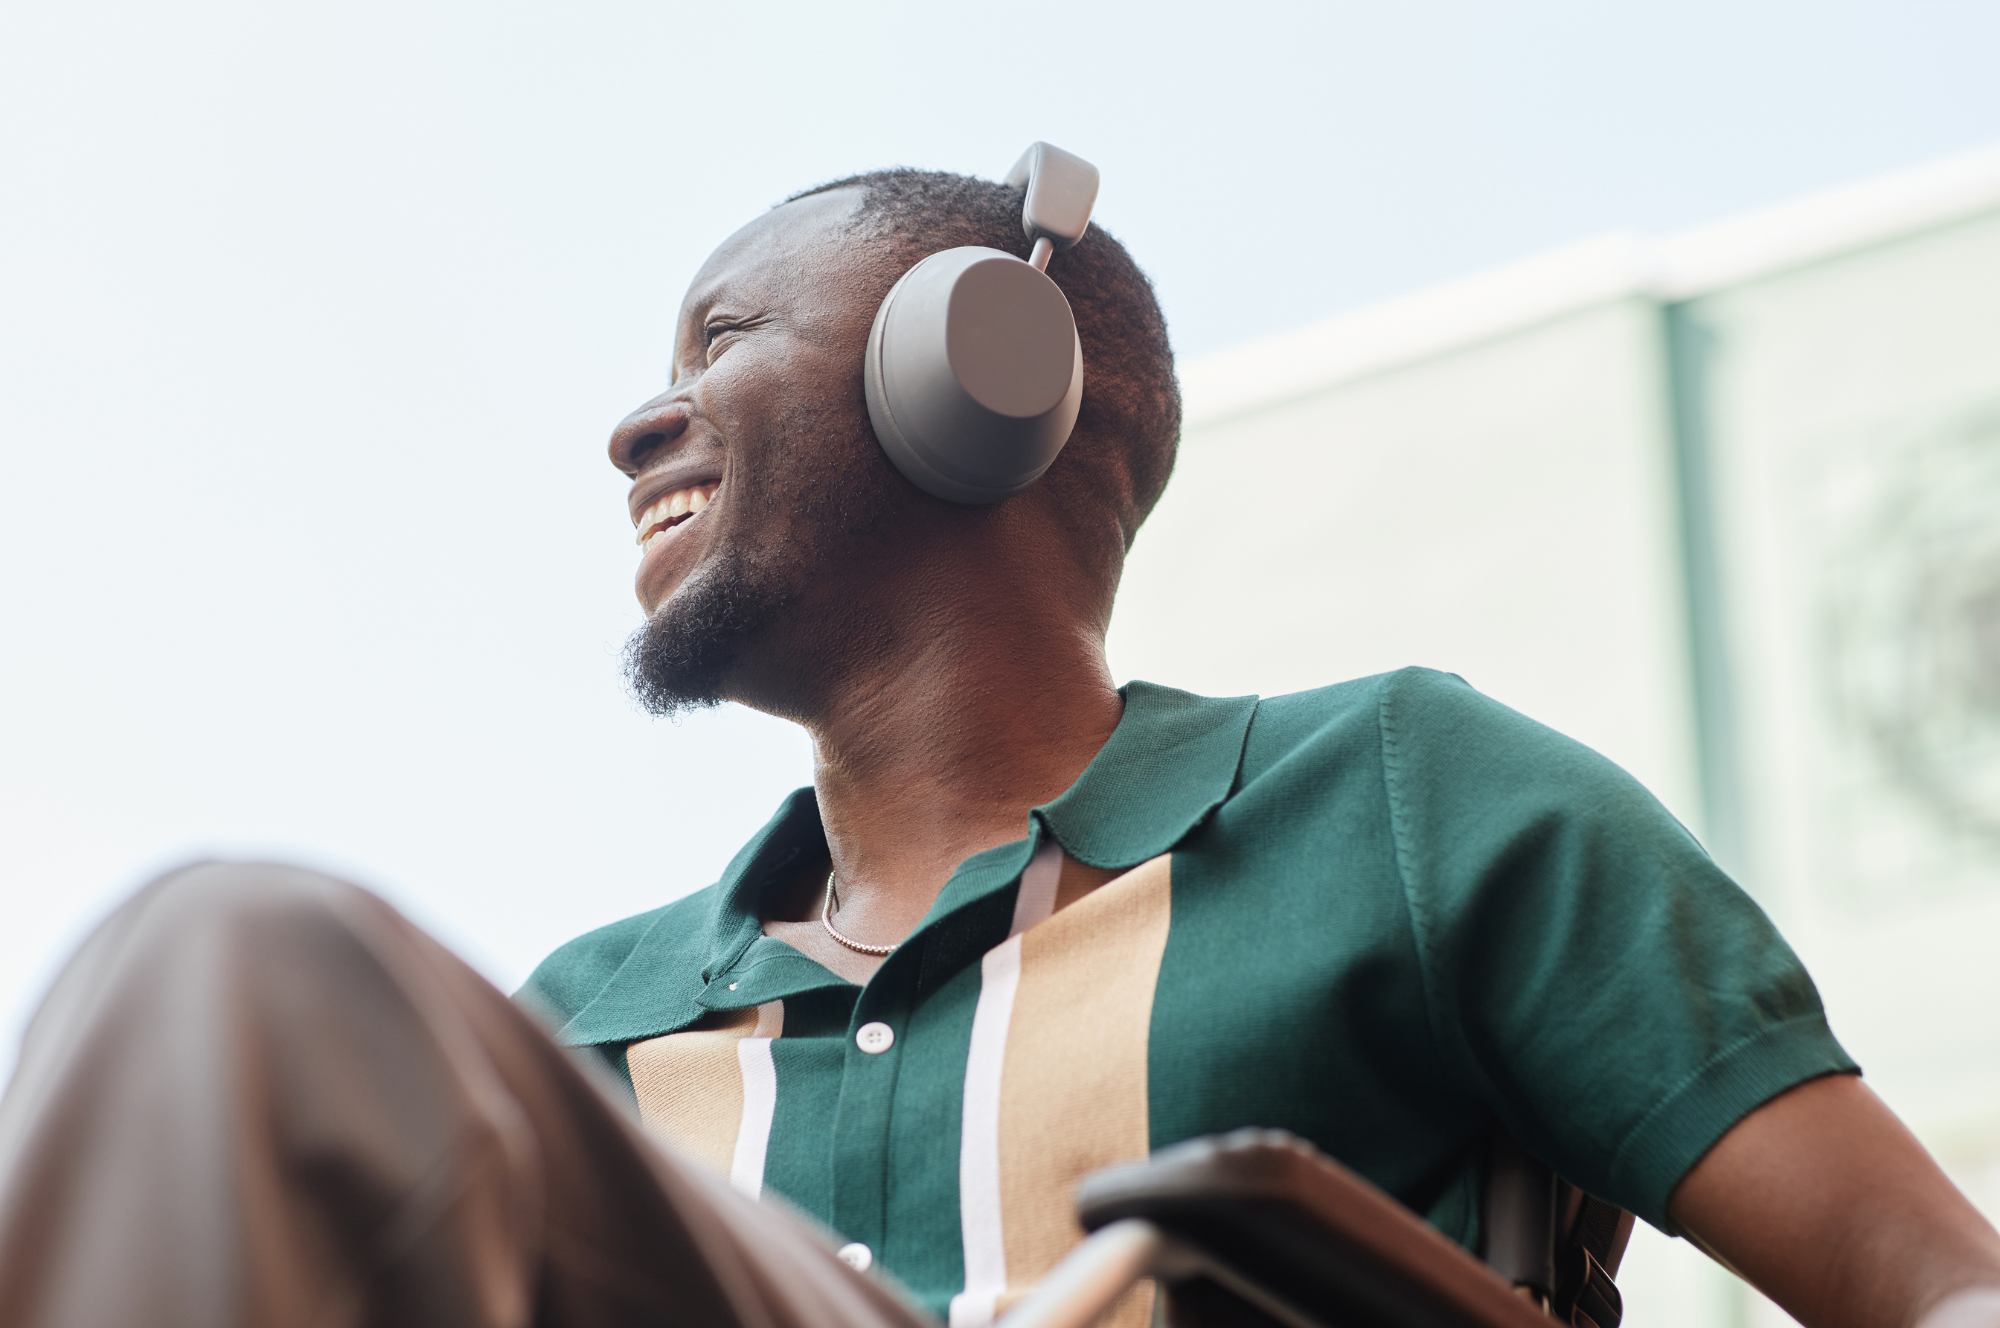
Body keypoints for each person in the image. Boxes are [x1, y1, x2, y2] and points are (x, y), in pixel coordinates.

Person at [3, 165, 1999, 1328]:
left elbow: (1936, 1293)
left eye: (719, 345)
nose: (633, 425)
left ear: (986, 371)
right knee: (264, 1018)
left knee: (246, 960)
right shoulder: (570, 1041)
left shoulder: (1397, 801)